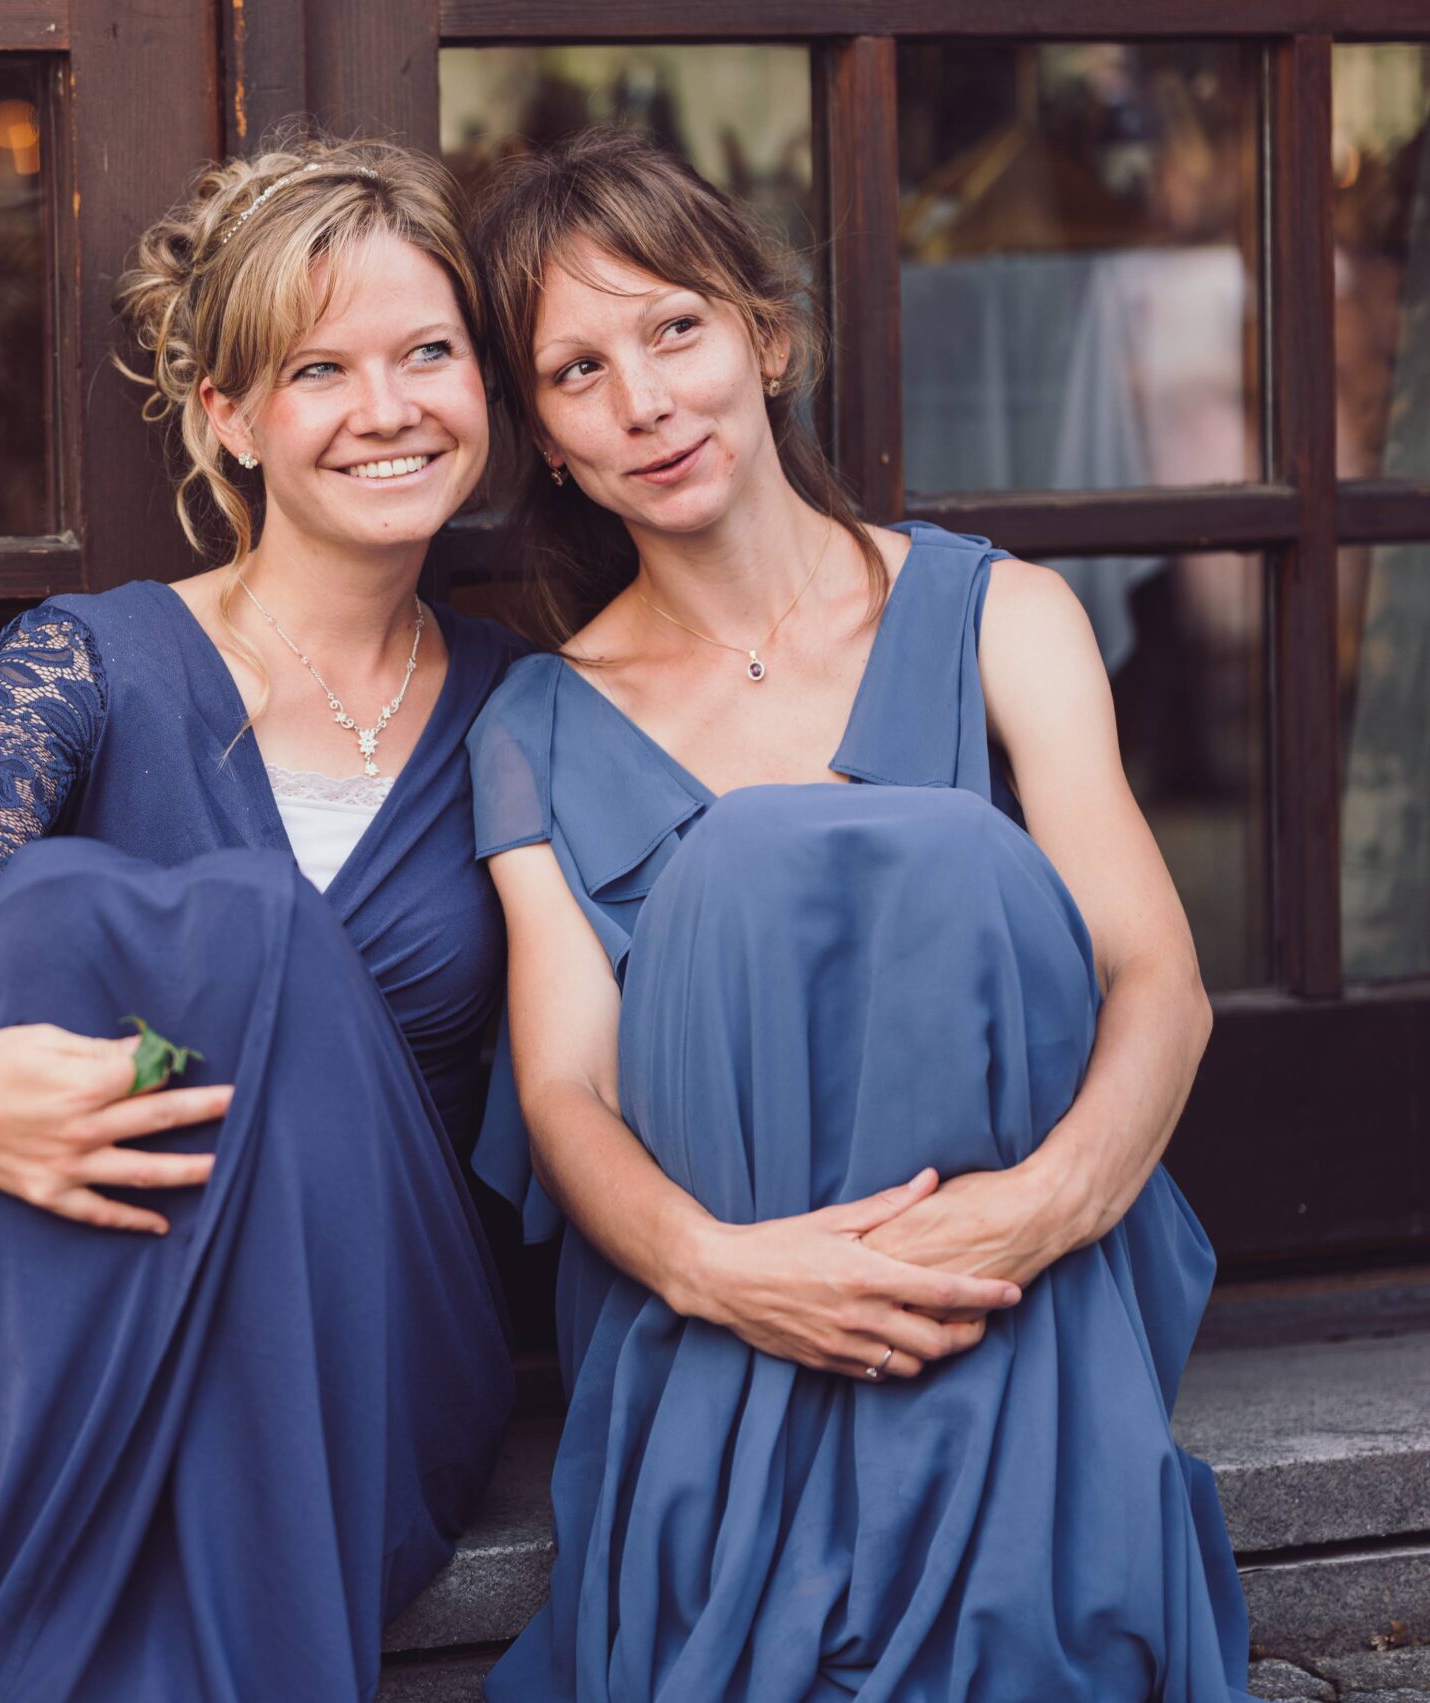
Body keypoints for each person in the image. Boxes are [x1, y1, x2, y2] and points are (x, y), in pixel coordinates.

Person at [464, 128, 1251, 1701]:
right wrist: (722, 1267)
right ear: (543, 437)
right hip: (726, 1307)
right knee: (752, 873)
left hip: (1012, 1282)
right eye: (576, 372)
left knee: (942, 866)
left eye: (675, 328)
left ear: (767, 336)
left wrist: (1030, 1214)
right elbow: (565, 1089)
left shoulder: (1002, 615)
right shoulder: (536, 725)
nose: (644, 401)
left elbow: (1157, 978)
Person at [0, 132, 519, 1701]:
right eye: (320, 369)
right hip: (70, 1296)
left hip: (362, 1340)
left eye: (428, 352)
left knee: (239, 917)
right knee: (46, 906)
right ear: (228, 416)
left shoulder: (526, 704)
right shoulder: (90, 658)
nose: (389, 406)